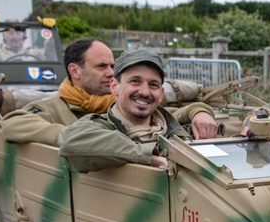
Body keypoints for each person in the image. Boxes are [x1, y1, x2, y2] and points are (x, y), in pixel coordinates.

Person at [58, 48, 218, 172]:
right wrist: (147, 155)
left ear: (161, 93)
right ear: (114, 86)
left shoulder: (173, 128)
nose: (144, 91)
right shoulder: (100, 127)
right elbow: (70, 142)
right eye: (135, 81)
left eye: (153, 85)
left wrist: (200, 111)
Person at [2, 37, 117, 146]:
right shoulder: (52, 108)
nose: (111, 73)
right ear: (75, 71)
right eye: (101, 66)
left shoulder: (121, 105)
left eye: (112, 66)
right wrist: (68, 135)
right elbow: (12, 125)